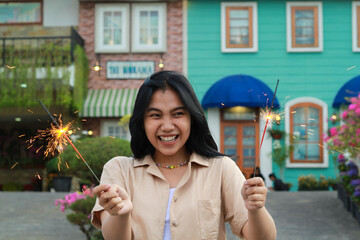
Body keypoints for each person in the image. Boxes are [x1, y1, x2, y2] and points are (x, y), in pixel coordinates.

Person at [92, 71, 276, 240]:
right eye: (155, 115)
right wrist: (120, 214)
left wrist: (256, 209)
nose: (167, 126)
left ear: (192, 119)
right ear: (142, 122)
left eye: (178, 114)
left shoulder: (221, 168)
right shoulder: (119, 170)